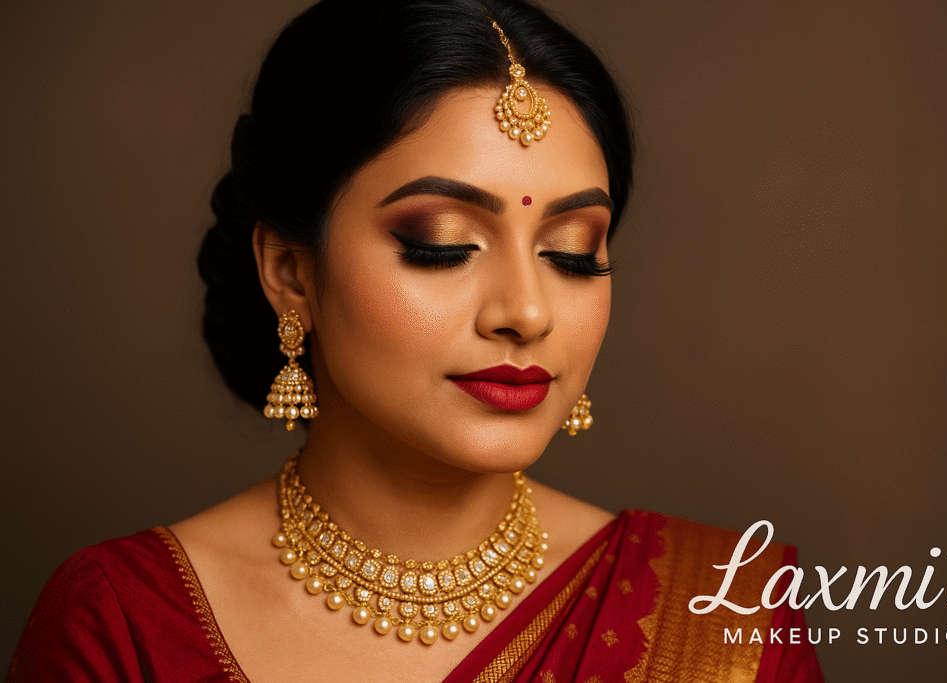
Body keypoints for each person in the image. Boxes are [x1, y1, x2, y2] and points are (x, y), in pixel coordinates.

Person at [8, 1, 823, 681]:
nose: (526, 311)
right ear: (292, 271)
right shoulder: (123, 625)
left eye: (573, 253)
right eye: (441, 242)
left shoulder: (720, 618)